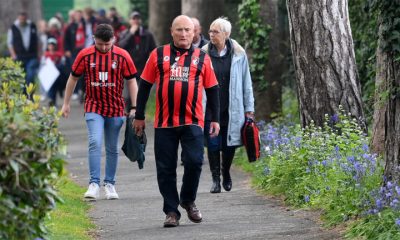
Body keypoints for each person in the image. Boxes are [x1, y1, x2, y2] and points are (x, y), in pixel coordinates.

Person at [133, 15, 220, 228]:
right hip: (164, 123)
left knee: (195, 161)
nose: (183, 34)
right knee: (165, 168)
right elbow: (144, 86)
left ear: (194, 33)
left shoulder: (202, 57)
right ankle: (171, 211)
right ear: (171, 31)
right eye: (179, 30)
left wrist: (216, 119)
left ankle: (188, 200)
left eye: (187, 30)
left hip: (193, 121)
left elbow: (213, 89)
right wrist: (139, 116)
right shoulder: (158, 54)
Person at [61, 24, 138, 200]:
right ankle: (94, 183)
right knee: (95, 142)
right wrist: (66, 103)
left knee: (112, 147)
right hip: (93, 106)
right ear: (94, 39)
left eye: (107, 44)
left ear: (113, 40)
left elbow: (132, 81)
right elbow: (73, 78)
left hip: (116, 107)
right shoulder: (85, 55)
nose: (104, 48)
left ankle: (110, 184)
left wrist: (135, 107)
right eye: (100, 44)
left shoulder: (122, 56)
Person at [202, 17, 255, 193]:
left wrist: (249, 110)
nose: (211, 35)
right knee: (212, 143)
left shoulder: (239, 53)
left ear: (226, 34)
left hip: (232, 107)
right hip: (210, 108)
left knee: (229, 144)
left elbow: (246, 82)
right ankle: (215, 179)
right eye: (210, 31)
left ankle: (226, 172)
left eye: (215, 32)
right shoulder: (202, 53)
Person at [119, 10, 156, 112]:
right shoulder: (125, 33)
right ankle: (128, 115)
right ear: (130, 21)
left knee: (140, 95)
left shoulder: (147, 34)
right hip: (128, 69)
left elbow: (153, 50)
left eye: (137, 18)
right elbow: (121, 46)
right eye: (133, 18)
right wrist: (130, 33)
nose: (136, 21)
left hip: (142, 68)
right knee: (127, 96)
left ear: (140, 20)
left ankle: (139, 116)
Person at [7, 11, 41, 95]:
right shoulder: (13, 28)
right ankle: (24, 95)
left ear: (26, 18)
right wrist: (13, 55)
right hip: (19, 57)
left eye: (24, 18)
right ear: (18, 18)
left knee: (30, 75)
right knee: (22, 77)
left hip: (32, 56)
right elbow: (9, 43)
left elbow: (38, 41)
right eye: (21, 18)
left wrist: (39, 54)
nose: (22, 20)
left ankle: (30, 94)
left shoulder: (32, 26)